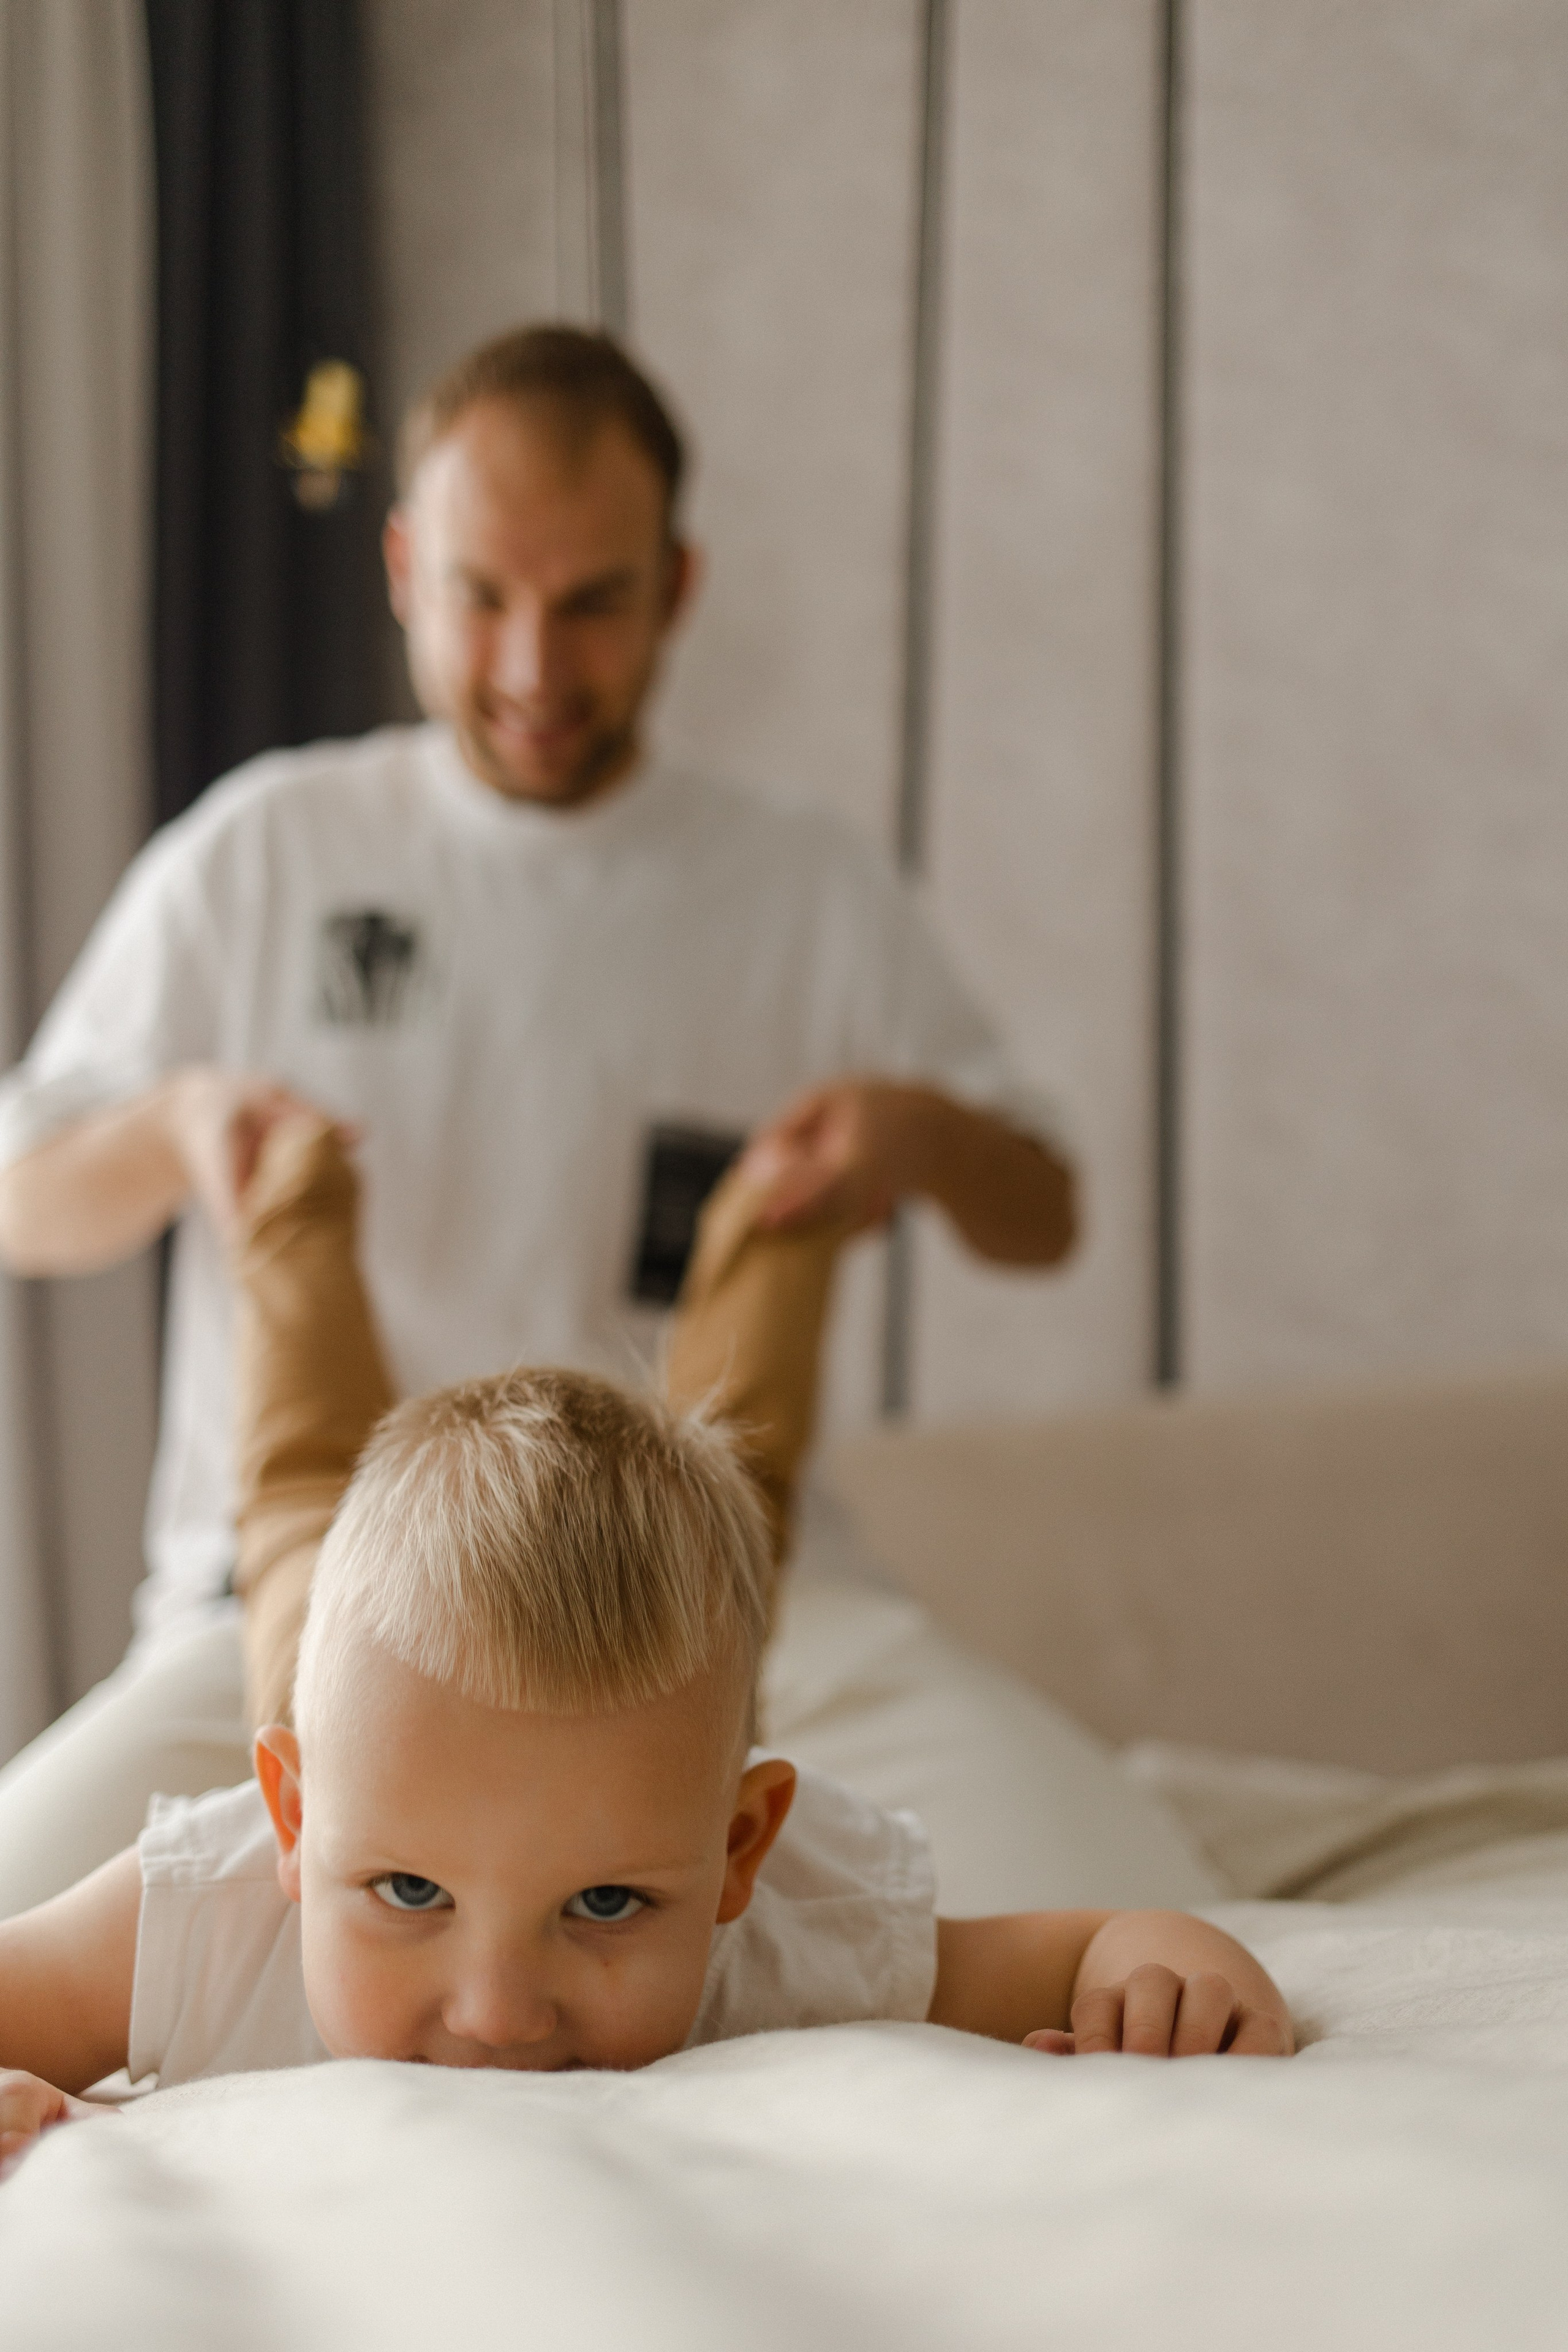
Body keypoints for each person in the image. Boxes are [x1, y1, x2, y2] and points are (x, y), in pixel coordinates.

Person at [0, 324, 1076, 1917]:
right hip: (288, 1617)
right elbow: (24, 1198)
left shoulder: (801, 888)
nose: (532, 669)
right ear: (399, 567)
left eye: (593, 605)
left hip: (734, 1610)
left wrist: (913, 1138)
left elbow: (1043, 1213)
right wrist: (178, 1130)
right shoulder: (268, 851)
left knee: (1116, 1900)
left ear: (679, 587)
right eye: (480, 596)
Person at [0, 1121, 1286, 2164]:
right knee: (294, 1504)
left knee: (739, 1490)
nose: (498, 2015)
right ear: (290, 1819)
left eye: (605, 1904)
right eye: (408, 1894)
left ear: (738, 1849)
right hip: (327, 1655)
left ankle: (775, 1229)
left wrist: (1172, 1971)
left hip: (553, 1716)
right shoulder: (211, 1910)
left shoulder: (790, 1925)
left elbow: (1094, 1945)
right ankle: (294, 1211)